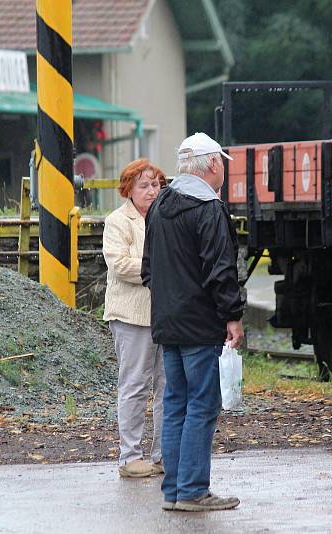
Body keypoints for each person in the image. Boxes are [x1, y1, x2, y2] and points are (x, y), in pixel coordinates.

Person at [142, 132, 244, 512]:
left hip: (167, 322)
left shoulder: (160, 205)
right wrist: (232, 316)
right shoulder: (209, 208)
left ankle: (174, 490)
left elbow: (148, 268)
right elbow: (221, 271)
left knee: (176, 403)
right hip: (201, 324)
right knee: (202, 405)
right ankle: (193, 490)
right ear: (214, 164)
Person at [103, 160, 167, 478]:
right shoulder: (118, 221)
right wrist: (161, 269)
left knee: (168, 385)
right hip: (131, 315)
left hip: (167, 314)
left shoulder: (167, 217)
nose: (152, 190)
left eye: (156, 184)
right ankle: (130, 457)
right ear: (128, 188)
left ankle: (163, 454)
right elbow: (120, 265)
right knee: (135, 386)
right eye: (144, 185)